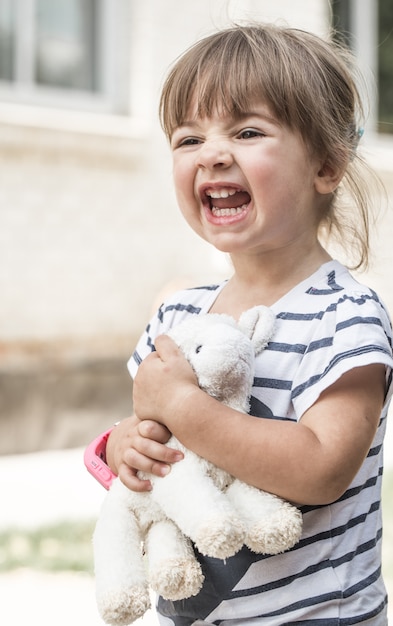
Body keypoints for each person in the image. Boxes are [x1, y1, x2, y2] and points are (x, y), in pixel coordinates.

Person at [87, 23, 393, 624]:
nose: (212, 153)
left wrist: (186, 408)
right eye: (188, 137)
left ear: (326, 165)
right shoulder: (180, 313)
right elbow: (154, 437)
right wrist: (123, 446)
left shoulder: (346, 317)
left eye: (248, 131)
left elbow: (321, 469)